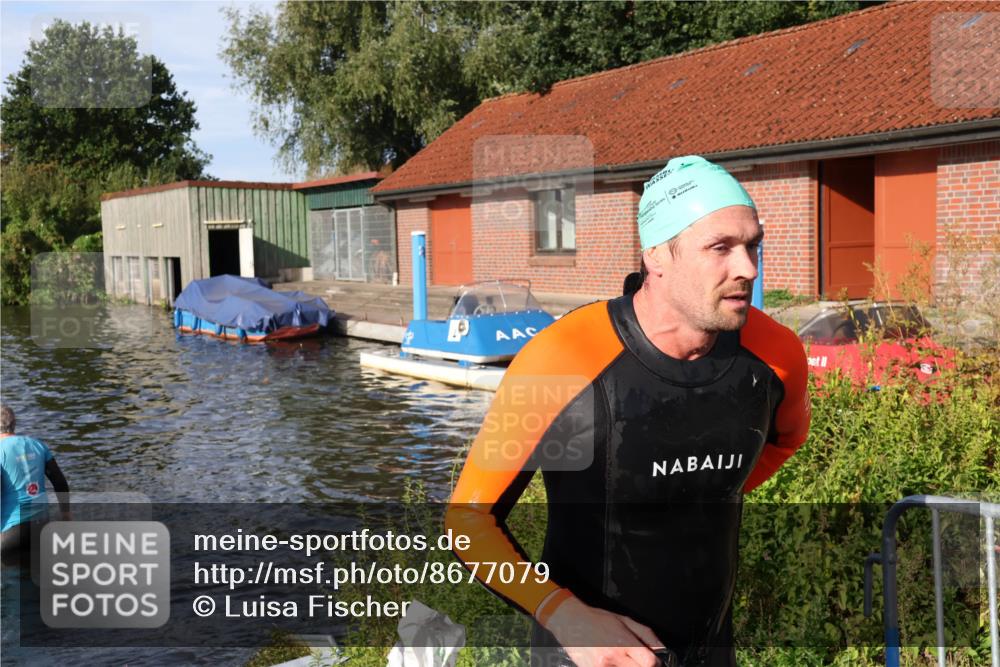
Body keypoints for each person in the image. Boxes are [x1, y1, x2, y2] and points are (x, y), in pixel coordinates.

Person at [446, 156, 810, 667]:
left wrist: (701, 490)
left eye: (753, 245)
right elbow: (468, 523)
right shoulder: (562, 359)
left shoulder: (777, 355)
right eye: (720, 248)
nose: (747, 268)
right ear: (657, 255)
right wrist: (561, 612)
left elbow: (786, 440)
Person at [1, 404, 70, 554]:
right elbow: (59, 482)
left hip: (11, 534)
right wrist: (66, 514)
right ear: (14, 423)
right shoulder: (38, 445)